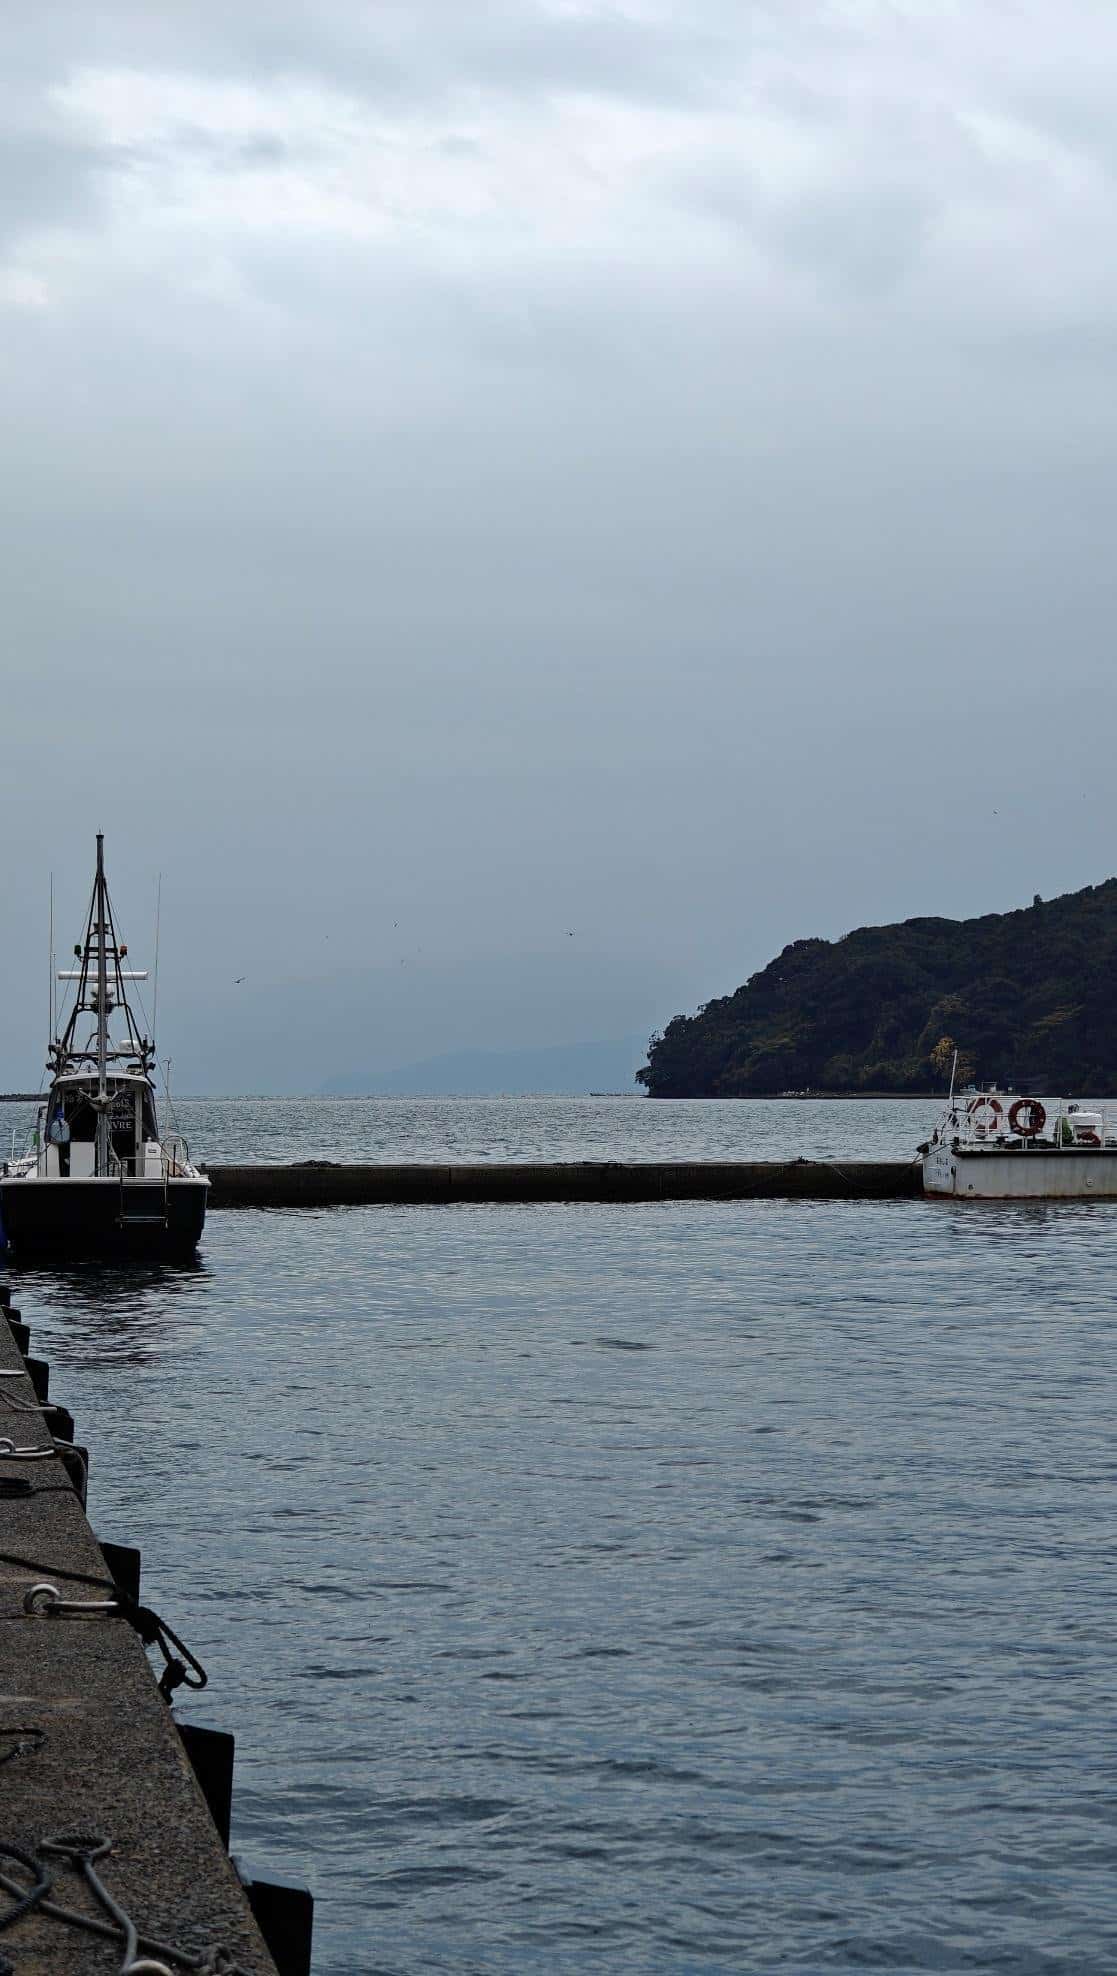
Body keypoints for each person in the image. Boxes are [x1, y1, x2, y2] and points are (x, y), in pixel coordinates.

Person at [48, 1107, 71, 1178]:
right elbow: (67, 1137)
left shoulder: (53, 1124)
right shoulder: (66, 1123)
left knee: (62, 1162)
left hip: (59, 1147)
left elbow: (51, 1137)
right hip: (65, 1145)